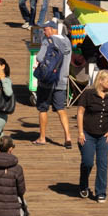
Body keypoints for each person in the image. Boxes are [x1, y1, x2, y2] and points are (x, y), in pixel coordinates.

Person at [78, 68, 108, 203]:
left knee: (102, 162)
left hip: (104, 135)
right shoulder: (88, 94)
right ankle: (83, 184)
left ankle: (100, 191)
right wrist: (80, 132)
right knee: (88, 162)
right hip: (88, 133)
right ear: (100, 81)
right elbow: (80, 112)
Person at [34, 19, 76, 148]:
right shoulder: (67, 41)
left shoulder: (48, 40)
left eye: (45, 29)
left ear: (52, 29)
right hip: (62, 81)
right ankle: (68, 138)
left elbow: (40, 58)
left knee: (43, 109)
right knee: (61, 109)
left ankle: (42, 137)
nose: (44, 32)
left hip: (47, 81)